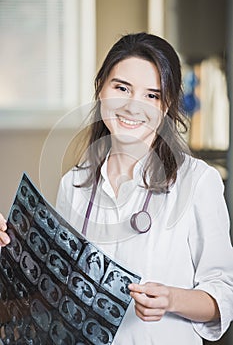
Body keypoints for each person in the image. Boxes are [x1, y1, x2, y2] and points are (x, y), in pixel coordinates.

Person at [0, 32, 233, 344]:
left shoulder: (198, 181)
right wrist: (11, 253)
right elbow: (55, 291)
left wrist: (171, 299)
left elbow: (223, 292)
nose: (133, 107)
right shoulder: (75, 183)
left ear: (166, 107)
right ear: (101, 90)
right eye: (121, 88)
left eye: (152, 95)